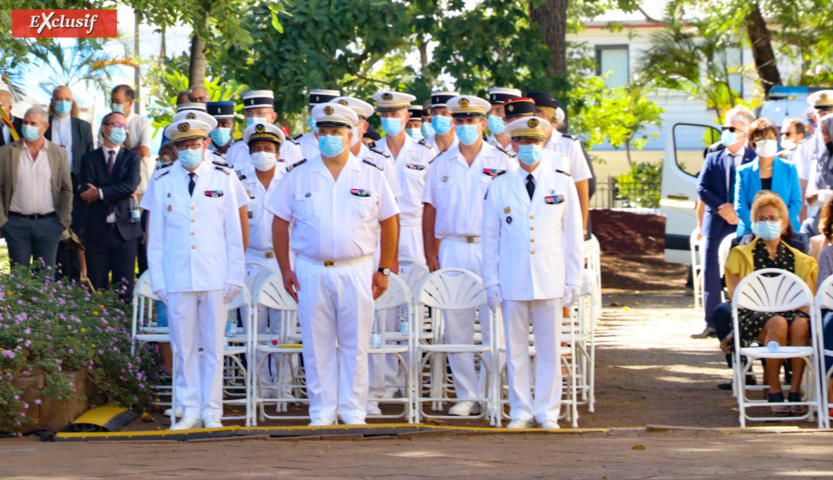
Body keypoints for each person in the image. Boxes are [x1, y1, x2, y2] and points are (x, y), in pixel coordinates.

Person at [268, 102, 399, 426]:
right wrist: (285, 269)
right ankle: (322, 410)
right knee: (317, 344)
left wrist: (384, 269)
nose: (329, 137)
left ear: (350, 135)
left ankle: (353, 410)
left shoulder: (371, 173)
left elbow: (390, 222)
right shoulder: (298, 175)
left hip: (357, 269)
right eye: (323, 132)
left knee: (356, 344)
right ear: (316, 135)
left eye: (336, 132)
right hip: (311, 269)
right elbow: (279, 223)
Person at [142, 115, 249, 430]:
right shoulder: (162, 179)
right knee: (183, 347)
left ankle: (212, 411)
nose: (189, 150)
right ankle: (189, 409)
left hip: (214, 273)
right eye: (183, 145)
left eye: (195, 144)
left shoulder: (224, 176)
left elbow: (234, 232)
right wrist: (158, 280)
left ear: (206, 144)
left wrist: (234, 275)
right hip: (177, 275)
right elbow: (155, 236)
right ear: (174, 149)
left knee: (214, 347)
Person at [482, 115, 582, 429]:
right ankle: (521, 411)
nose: (530, 147)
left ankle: (548, 411)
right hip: (512, 277)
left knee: (550, 349)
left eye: (536, 141)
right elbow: (490, 238)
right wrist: (491, 281)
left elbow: (572, 234)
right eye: (524, 141)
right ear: (513, 145)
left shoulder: (562, 181)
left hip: (550, 276)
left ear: (544, 143)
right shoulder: (500, 184)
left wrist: (574, 277)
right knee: (515, 350)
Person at [422, 94, 516, 416]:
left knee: (494, 324)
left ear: (483, 123)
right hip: (452, 247)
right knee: (456, 324)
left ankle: (491, 392)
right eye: (459, 121)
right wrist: (430, 252)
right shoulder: (440, 163)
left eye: (470, 121)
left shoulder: (503, 161)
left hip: (492, 249)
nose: (464, 126)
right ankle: (466, 394)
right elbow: (430, 210)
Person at [724, 191, 817, 415]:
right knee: (777, 322)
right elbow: (737, 295)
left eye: (773, 218)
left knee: (801, 323)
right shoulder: (740, 254)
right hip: (753, 316)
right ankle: (774, 390)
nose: (768, 222)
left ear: (784, 223)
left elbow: (808, 298)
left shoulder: (801, 259)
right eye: (761, 219)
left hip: (792, 314)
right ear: (754, 224)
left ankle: (795, 391)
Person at [694, 111, 756, 339]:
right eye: (725, 128)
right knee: (710, 271)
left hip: (744, 223)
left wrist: (738, 212)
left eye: (732, 129)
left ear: (745, 133)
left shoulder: (754, 157)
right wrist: (723, 207)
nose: (726, 133)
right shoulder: (713, 157)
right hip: (716, 221)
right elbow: (701, 188)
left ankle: (745, 319)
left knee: (745, 269)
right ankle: (711, 322)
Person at [240, 122, 288, 397]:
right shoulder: (239, 181)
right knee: (253, 327)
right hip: (251, 260)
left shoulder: (290, 178)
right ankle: (258, 386)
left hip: (283, 263)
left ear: (278, 153)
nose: (262, 153)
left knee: (284, 326)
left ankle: (284, 386)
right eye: (256, 149)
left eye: (268, 149)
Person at [78, 112, 142, 300]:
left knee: (124, 290)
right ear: (105, 129)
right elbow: (85, 189)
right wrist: (119, 190)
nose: (122, 130)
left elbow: (131, 185)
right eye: (117, 125)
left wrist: (100, 192)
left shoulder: (132, 157)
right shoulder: (89, 158)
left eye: (125, 126)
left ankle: (123, 319)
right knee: (96, 289)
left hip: (125, 232)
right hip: (97, 231)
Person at [0, 107, 72, 271]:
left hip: (49, 224)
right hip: (16, 224)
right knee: (19, 276)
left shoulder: (58, 153)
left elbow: (66, 189)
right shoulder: (6, 152)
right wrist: (3, 221)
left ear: (45, 127)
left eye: (33, 123)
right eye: (25, 123)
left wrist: (63, 221)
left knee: (46, 276)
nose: (28, 127)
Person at [527, 91, 593, 238]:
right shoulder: (522, 143)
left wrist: (582, 229)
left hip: (561, 222)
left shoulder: (568, 144)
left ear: (543, 115)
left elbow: (582, 190)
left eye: (530, 114)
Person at [45, 85, 94, 283]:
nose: (63, 103)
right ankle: (54, 277)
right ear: (52, 101)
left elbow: (89, 157)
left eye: (67, 99)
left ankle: (74, 279)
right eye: (59, 99)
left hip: (76, 182)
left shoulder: (83, 127)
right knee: (54, 227)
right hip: (49, 183)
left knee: (74, 231)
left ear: (72, 101)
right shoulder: (45, 125)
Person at [735, 119, 802, 237]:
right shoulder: (743, 172)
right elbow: (740, 206)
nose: (767, 142)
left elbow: (795, 202)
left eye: (771, 138)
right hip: (751, 232)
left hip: (786, 232)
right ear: (752, 143)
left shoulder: (789, 168)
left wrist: (781, 226)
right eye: (761, 139)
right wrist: (757, 228)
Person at [226, 90, 303, 171]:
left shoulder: (290, 148)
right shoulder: (234, 149)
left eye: (260, 113)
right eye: (249, 113)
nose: (254, 117)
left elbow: (298, 175)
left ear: (273, 117)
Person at [294, 89, 341, 160]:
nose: (314, 115)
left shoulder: (346, 144)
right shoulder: (298, 144)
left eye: (320, 111)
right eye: (311, 110)